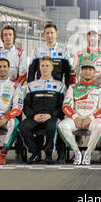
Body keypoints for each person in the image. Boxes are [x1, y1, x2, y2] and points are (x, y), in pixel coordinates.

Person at [27, 23, 70, 162]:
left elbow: (68, 74)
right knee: (39, 124)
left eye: (52, 32)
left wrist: (68, 90)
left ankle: (61, 152)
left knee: (58, 123)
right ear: (44, 35)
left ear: (56, 34)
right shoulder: (37, 50)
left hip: (58, 91)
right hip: (40, 89)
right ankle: (39, 152)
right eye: (47, 33)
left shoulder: (64, 51)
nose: (49, 35)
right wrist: (30, 87)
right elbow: (32, 71)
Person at [57, 61, 101, 165]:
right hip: (75, 119)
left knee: (100, 126)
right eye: (85, 69)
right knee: (62, 125)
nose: (87, 72)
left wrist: (91, 117)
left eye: (90, 69)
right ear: (81, 72)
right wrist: (75, 117)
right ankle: (76, 152)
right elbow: (66, 105)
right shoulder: (73, 87)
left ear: (95, 72)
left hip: (92, 119)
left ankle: (88, 153)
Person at [18, 56, 67, 164]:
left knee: (52, 126)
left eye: (47, 66)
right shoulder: (31, 85)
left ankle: (48, 154)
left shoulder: (60, 86)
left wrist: (51, 115)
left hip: (52, 117)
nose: (44, 68)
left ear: (52, 68)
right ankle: (35, 153)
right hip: (35, 116)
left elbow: (63, 106)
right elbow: (26, 106)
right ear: (39, 68)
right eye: (42, 66)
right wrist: (33, 115)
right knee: (22, 126)